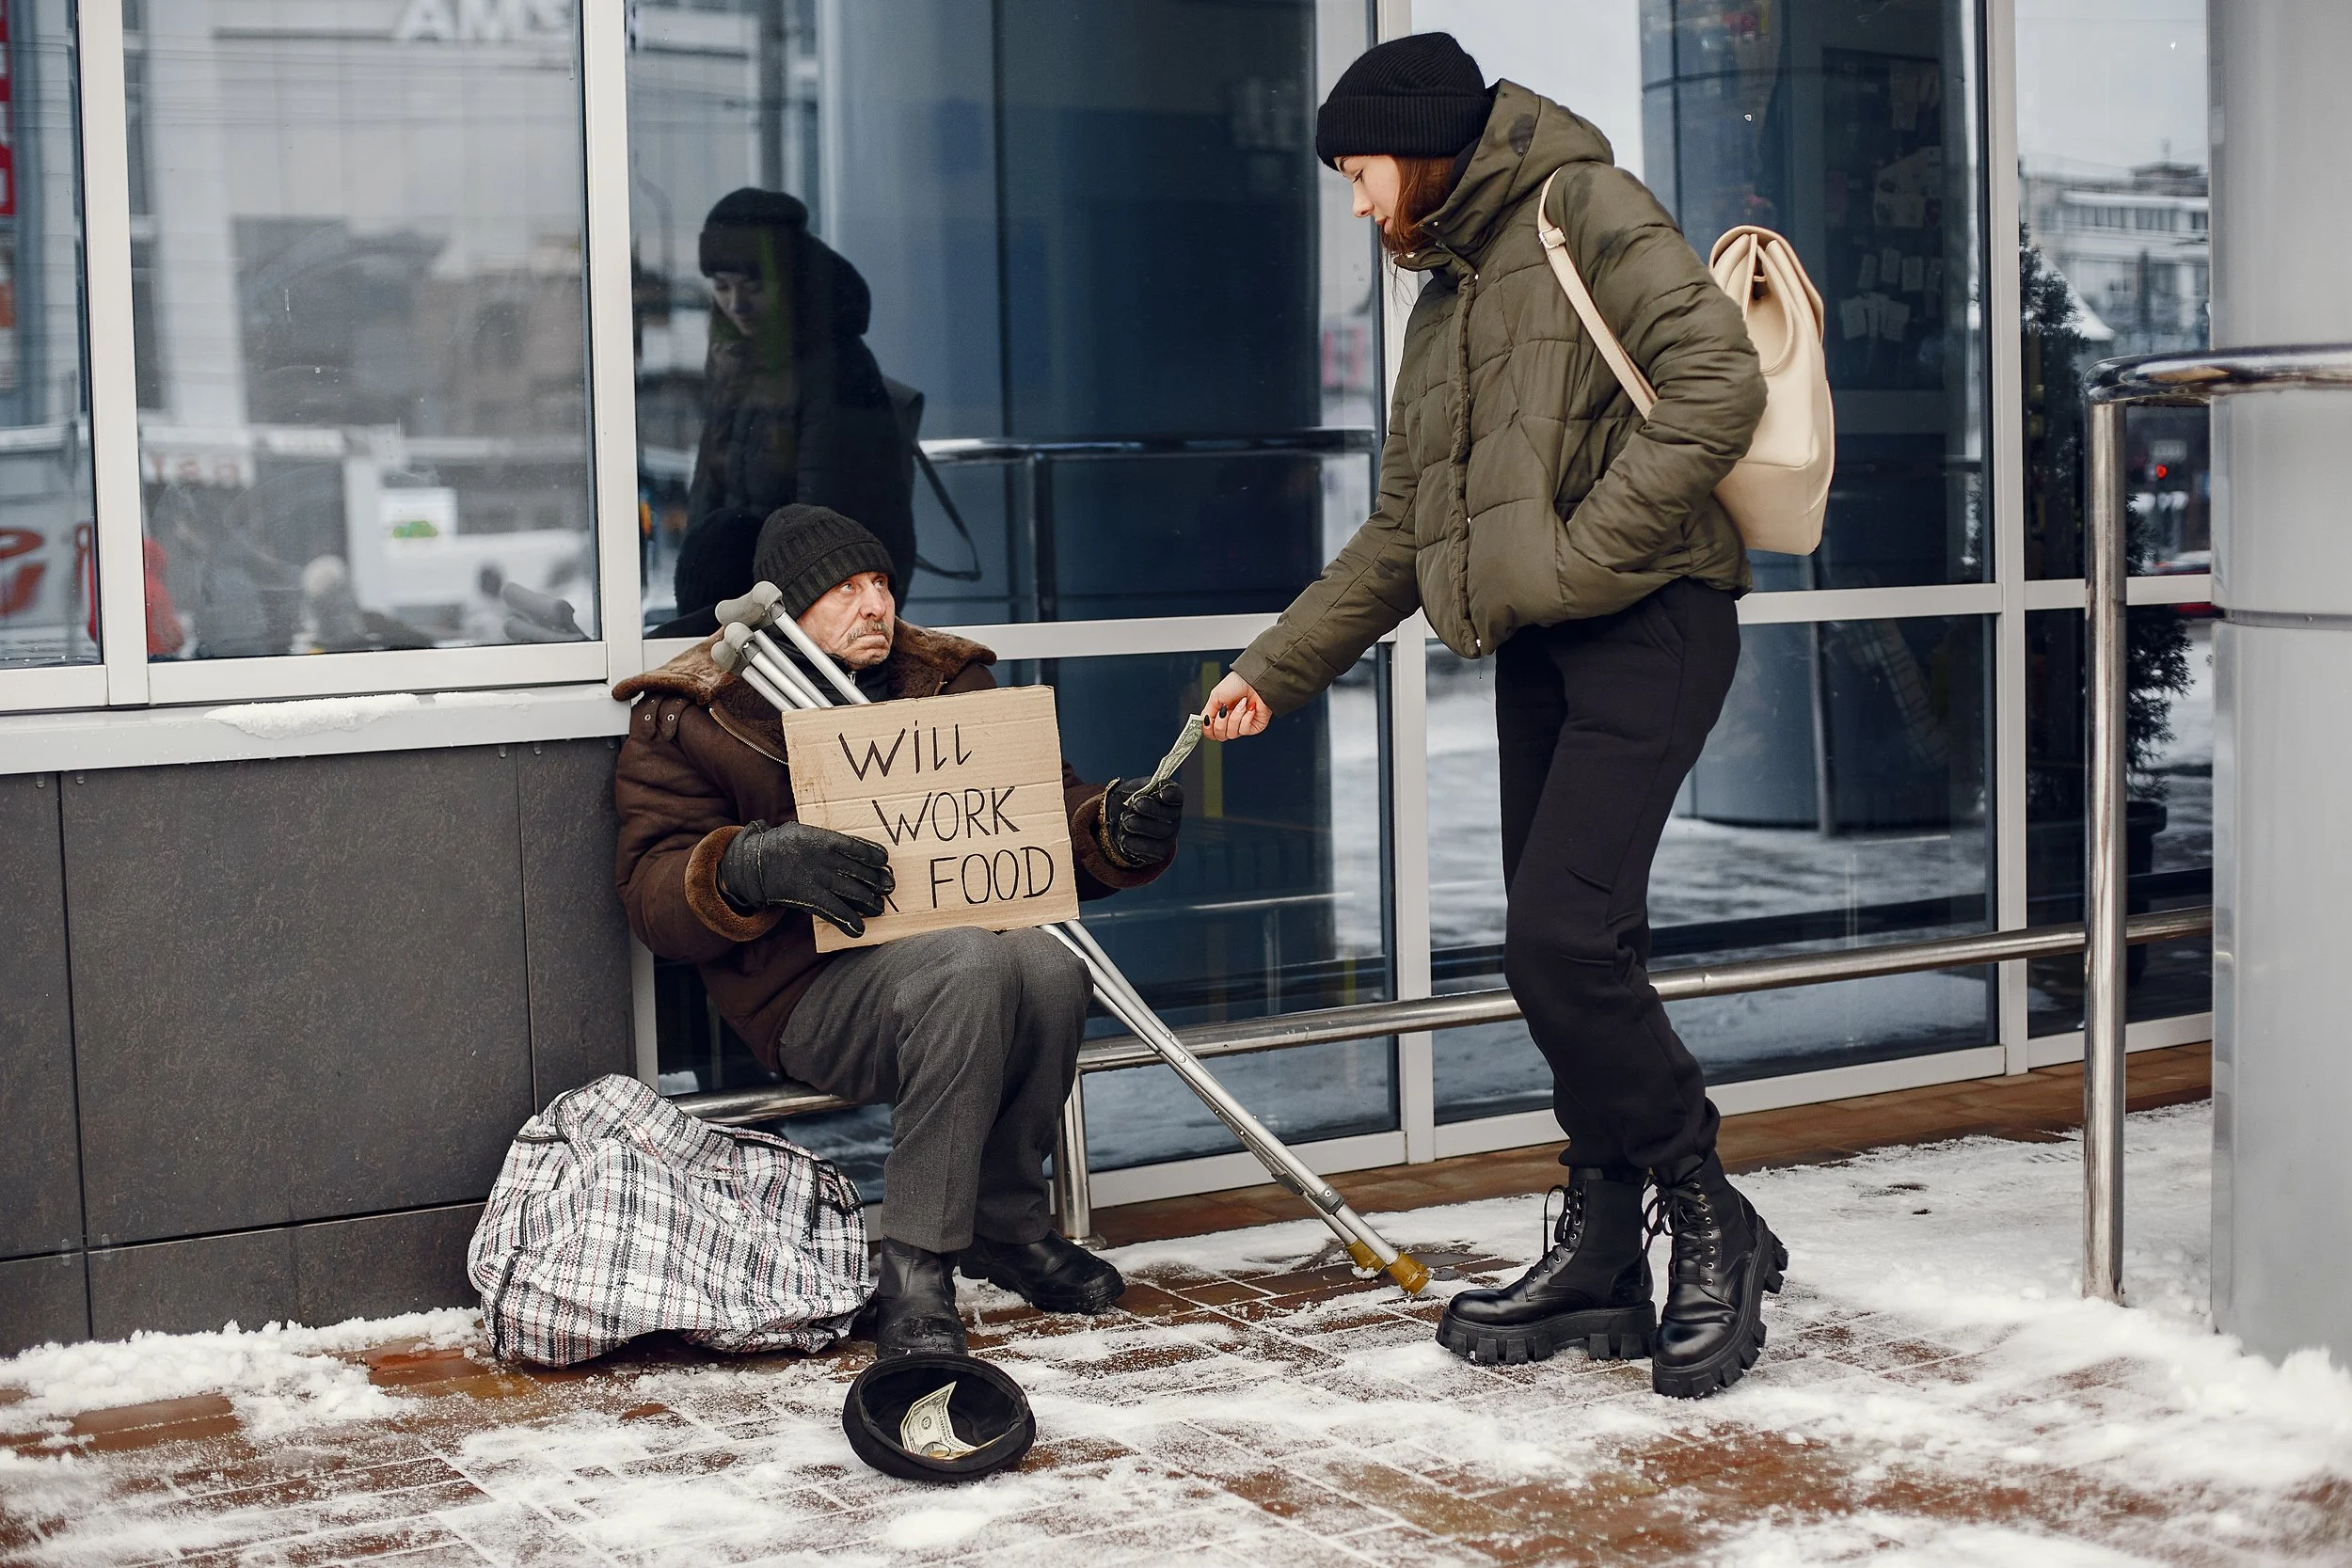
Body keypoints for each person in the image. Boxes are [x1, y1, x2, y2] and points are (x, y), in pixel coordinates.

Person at [1200, 35, 1783, 1400]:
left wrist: (1579, 558)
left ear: (1423, 144)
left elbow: (1717, 385)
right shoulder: (1447, 300)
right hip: (1546, 650)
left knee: (1557, 935)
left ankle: (1710, 1211)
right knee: (1571, 951)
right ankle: (1601, 1242)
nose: (1358, 203)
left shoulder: (1586, 209)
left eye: (1362, 171)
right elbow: (1404, 533)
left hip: (1650, 622)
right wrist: (1271, 669)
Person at [612, 504, 1185, 1357]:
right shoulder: (698, 711)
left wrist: (1109, 830)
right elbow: (650, 887)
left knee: (1049, 961)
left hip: (955, 958)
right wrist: (750, 865)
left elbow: (1034, 816)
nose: (875, 603)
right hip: (807, 991)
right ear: (787, 606)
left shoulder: (948, 684)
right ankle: (916, 1265)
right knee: (967, 962)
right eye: (846, 589)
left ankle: (1004, 1222)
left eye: (881, 582)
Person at [683, 189, 916, 600]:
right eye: (722, 287)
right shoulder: (736, 357)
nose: (736, 305)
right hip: (754, 597)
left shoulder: (834, 367)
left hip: (814, 600)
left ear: (790, 280)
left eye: (754, 286)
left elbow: (829, 506)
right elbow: (709, 488)